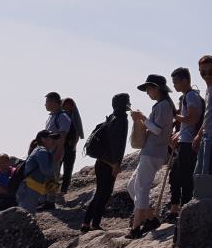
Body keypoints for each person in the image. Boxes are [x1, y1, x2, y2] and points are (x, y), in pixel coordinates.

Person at [127, 74, 175, 238]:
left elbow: (157, 130)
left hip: (153, 152)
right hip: (151, 152)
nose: (147, 92)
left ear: (156, 88)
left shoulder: (163, 106)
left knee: (141, 189)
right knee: (132, 186)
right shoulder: (162, 105)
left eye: (149, 88)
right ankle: (150, 218)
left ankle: (136, 227)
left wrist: (142, 118)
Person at [81, 93, 130, 231]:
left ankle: (87, 223)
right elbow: (116, 144)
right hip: (109, 163)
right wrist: (116, 164)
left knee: (100, 193)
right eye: (127, 102)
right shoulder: (121, 119)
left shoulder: (111, 117)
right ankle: (94, 224)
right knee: (104, 193)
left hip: (102, 161)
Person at [168, 67, 203, 221]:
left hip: (189, 143)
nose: (174, 85)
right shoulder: (189, 96)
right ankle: (175, 211)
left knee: (186, 178)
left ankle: (185, 211)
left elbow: (193, 118)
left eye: (175, 82)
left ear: (185, 80)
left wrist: (177, 117)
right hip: (184, 140)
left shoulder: (191, 96)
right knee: (176, 175)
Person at [38, 92, 72, 211]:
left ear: (54, 102)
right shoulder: (52, 116)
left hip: (55, 151)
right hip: (47, 151)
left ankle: (50, 201)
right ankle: (45, 199)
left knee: (53, 176)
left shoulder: (62, 117)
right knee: (46, 175)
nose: (45, 104)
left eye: (47, 102)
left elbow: (63, 135)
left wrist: (59, 151)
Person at [16, 130, 62, 214]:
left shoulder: (41, 150)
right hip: (30, 188)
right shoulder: (42, 152)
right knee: (26, 215)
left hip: (32, 187)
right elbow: (47, 171)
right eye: (51, 138)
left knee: (27, 214)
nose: (54, 141)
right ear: (43, 139)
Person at [60, 97, 83, 194]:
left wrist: (74, 143)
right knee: (55, 171)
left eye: (70, 104)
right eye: (66, 104)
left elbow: (77, 132)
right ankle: (52, 191)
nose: (68, 106)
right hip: (60, 146)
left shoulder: (74, 117)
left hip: (70, 147)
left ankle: (64, 190)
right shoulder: (60, 117)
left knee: (68, 170)